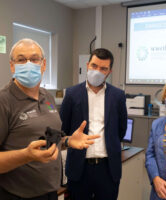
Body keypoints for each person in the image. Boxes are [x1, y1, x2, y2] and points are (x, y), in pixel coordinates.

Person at [0, 38, 100, 200]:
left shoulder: (47, 97)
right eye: (21, 59)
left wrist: (67, 141)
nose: (28, 64)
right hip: (16, 196)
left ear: (44, 64)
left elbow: (44, 142)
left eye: (34, 59)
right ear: (12, 66)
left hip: (50, 193)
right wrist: (26, 155)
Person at [60, 48, 127, 200]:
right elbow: (63, 130)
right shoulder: (71, 94)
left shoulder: (118, 96)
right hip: (79, 168)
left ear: (109, 72)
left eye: (103, 68)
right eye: (94, 66)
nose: (97, 71)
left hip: (108, 169)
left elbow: (121, 130)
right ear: (87, 65)